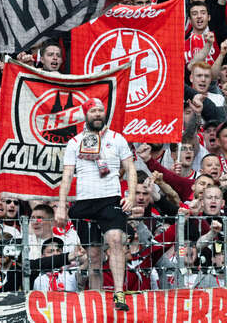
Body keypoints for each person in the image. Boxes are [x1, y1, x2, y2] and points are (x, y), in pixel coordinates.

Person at [56, 98, 136, 311]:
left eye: (101, 110)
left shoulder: (117, 139)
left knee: (116, 239)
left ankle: (119, 293)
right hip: (84, 201)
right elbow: (67, 176)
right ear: (86, 114)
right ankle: (97, 298)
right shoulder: (75, 142)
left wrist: (132, 195)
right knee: (93, 255)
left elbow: (130, 167)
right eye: (93, 111)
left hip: (110, 198)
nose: (98, 114)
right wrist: (62, 205)